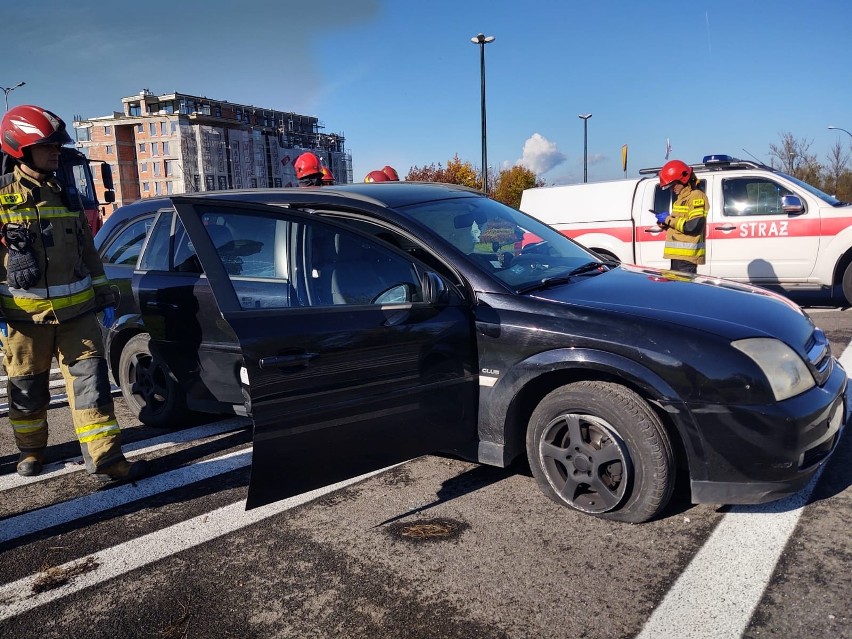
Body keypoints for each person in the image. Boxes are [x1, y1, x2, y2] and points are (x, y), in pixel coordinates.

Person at [0, 105, 147, 481]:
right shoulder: (2, 198)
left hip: (77, 317)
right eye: (47, 146)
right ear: (20, 147)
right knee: (27, 390)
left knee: (92, 388)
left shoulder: (64, 193)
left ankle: (108, 460)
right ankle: (31, 452)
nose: (56, 152)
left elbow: (87, 252)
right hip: (24, 319)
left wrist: (103, 292)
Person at [654, 159, 708, 274]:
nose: (671, 189)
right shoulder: (681, 199)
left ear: (683, 179)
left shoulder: (696, 196)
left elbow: (693, 227)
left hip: (686, 259)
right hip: (678, 256)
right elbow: (680, 224)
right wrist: (665, 224)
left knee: (685, 291)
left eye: (673, 185)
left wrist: (668, 219)